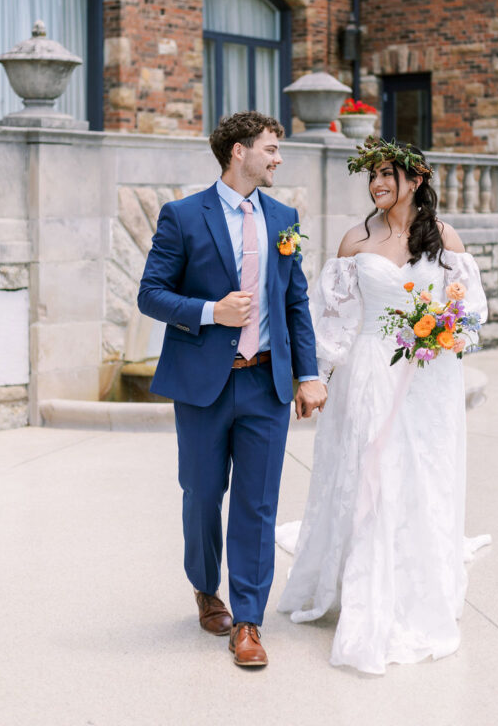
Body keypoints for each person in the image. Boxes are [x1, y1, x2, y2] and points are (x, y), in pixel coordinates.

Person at [277, 137, 490, 674]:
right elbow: (335, 317)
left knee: (423, 472)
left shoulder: (443, 238)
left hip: (430, 376)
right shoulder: (356, 239)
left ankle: (416, 580)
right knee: (370, 469)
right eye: (372, 175)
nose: (378, 184)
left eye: (388, 174)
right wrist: (317, 377)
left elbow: (471, 313)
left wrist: (444, 333)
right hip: (368, 371)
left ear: (415, 180)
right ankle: (366, 582)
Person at [138, 111, 327, 669]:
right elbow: (151, 294)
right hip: (203, 387)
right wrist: (209, 311)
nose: (277, 158)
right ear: (238, 151)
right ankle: (204, 587)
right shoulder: (182, 216)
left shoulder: (284, 218)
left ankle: (248, 621)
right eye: (270, 148)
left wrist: (309, 374)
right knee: (200, 494)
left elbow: (294, 302)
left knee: (258, 505)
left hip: (266, 383)